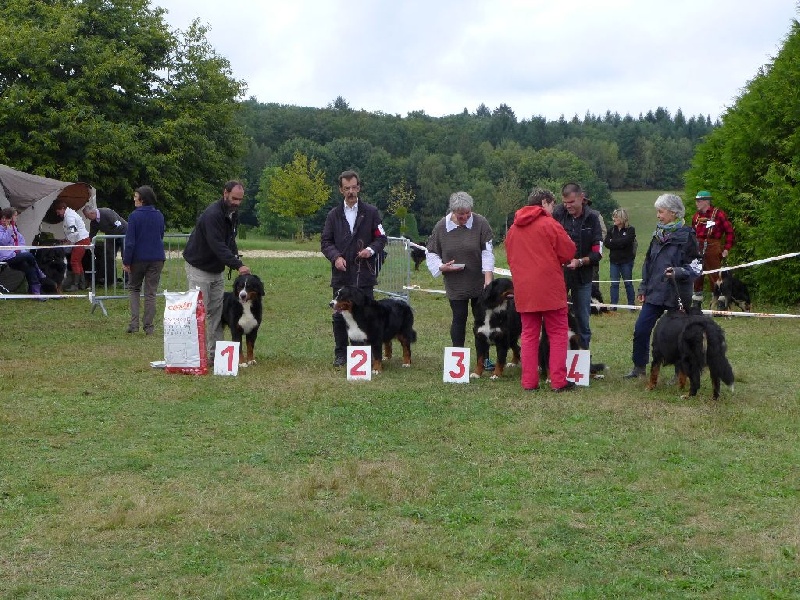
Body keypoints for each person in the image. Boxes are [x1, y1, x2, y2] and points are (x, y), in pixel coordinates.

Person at [505, 188, 578, 392]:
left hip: (524, 289)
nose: (554, 209)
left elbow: (510, 257)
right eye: (553, 204)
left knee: (528, 335)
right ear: (545, 202)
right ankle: (558, 381)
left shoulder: (513, 229)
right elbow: (568, 251)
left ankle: (529, 382)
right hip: (550, 288)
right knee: (557, 334)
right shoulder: (549, 224)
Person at [623, 194, 702, 379]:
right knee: (641, 328)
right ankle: (639, 367)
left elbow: (697, 266)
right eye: (657, 212)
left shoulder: (688, 235)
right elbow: (648, 263)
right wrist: (643, 287)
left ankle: (680, 371)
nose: (658, 216)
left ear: (674, 213)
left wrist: (678, 272)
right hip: (655, 292)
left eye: (661, 211)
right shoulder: (657, 234)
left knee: (678, 334)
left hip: (678, 294)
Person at [321, 170, 387, 367]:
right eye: (346, 188)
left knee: (366, 314)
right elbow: (325, 242)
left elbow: (381, 238)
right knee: (339, 315)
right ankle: (341, 354)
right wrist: (336, 257)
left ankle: (363, 353)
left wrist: (370, 249)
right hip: (341, 275)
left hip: (364, 273)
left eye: (354, 187)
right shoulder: (333, 215)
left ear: (359, 187)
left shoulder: (371, 212)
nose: (351, 191)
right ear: (341, 190)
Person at [183, 180, 251, 361]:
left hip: (216, 270)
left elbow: (230, 240)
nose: (237, 203)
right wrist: (237, 265)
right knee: (198, 313)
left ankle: (216, 357)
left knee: (216, 313)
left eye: (240, 200)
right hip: (199, 268)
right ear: (225, 193)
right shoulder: (212, 215)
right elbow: (218, 246)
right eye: (234, 198)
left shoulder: (232, 213)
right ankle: (194, 355)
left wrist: (236, 257)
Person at [426, 191, 495, 363]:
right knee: (459, 318)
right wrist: (441, 267)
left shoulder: (481, 223)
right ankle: (458, 359)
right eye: (460, 214)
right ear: (453, 212)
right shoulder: (441, 226)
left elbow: (487, 252)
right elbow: (431, 252)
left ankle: (484, 358)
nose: (464, 217)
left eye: (467, 213)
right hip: (455, 282)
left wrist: (488, 278)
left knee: (481, 320)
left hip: (479, 282)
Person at [552, 182, 603, 349]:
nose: (568, 206)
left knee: (582, 319)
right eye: (565, 202)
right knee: (555, 317)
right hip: (559, 276)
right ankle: (553, 358)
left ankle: (582, 361)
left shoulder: (593, 218)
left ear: (582, 198)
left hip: (583, 276)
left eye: (571, 202)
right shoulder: (558, 214)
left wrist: (580, 261)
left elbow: (598, 252)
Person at [122, 186, 165, 335]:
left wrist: (126, 261)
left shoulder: (134, 216)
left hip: (138, 258)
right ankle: (149, 326)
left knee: (134, 289)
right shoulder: (159, 215)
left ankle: (134, 325)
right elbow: (161, 234)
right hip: (157, 257)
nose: (134, 199)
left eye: (136, 196)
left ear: (142, 199)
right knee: (150, 293)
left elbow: (130, 241)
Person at [691, 190, 735, 308]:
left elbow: (730, 232)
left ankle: (719, 304)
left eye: (699, 201)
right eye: (696, 201)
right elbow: (692, 233)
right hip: (697, 248)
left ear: (706, 201)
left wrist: (726, 248)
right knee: (697, 275)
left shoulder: (719, 214)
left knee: (715, 276)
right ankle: (696, 303)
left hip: (713, 247)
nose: (697, 203)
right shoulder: (696, 216)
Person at [0, 207, 47, 299]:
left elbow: (21, 241)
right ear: (9, 217)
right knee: (29, 256)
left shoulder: (14, 228)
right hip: (6, 257)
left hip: (15, 255)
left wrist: (20, 250)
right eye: (15, 216)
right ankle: (39, 272)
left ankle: (36, 293)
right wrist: (8, 230)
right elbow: (3, 242)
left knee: (28, 266)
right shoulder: (2, 229)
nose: (17, 218)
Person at [83, 204, 128, 284]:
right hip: (111, 236)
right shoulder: (94, 222)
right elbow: (92, 235)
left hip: (124, 234)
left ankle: (127, 281)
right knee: (109, 256)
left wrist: (108, 237)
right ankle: (112, 280)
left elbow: (119, 227)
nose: (87, 218)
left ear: (92, 213)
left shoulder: (107, 213)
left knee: (125, 256)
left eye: (87, 216)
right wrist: (88, 244)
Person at [53, 201, 91, 291]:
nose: (58, 214)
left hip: (80, 240)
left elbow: (74, 231)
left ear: (63, 208)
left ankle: (75, 285)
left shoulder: (69, 217)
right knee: (78, 262)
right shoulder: (69, 214)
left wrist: (69, 242)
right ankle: (81, 284)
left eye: (58, 212)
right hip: (81, 239)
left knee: (74, 261)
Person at [604, 208, 637, 309]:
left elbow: (627, 242)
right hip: (614, 261)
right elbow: (607, 243)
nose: (614, 218)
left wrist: (614, 241)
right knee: (614, 284)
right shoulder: (611, 229)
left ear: (622, 218)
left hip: (626, 261)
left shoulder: (630, 230)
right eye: (613, 216)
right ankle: (614, 305)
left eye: (616, 216)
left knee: (628, 283)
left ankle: (631, 305)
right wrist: (618, 242)